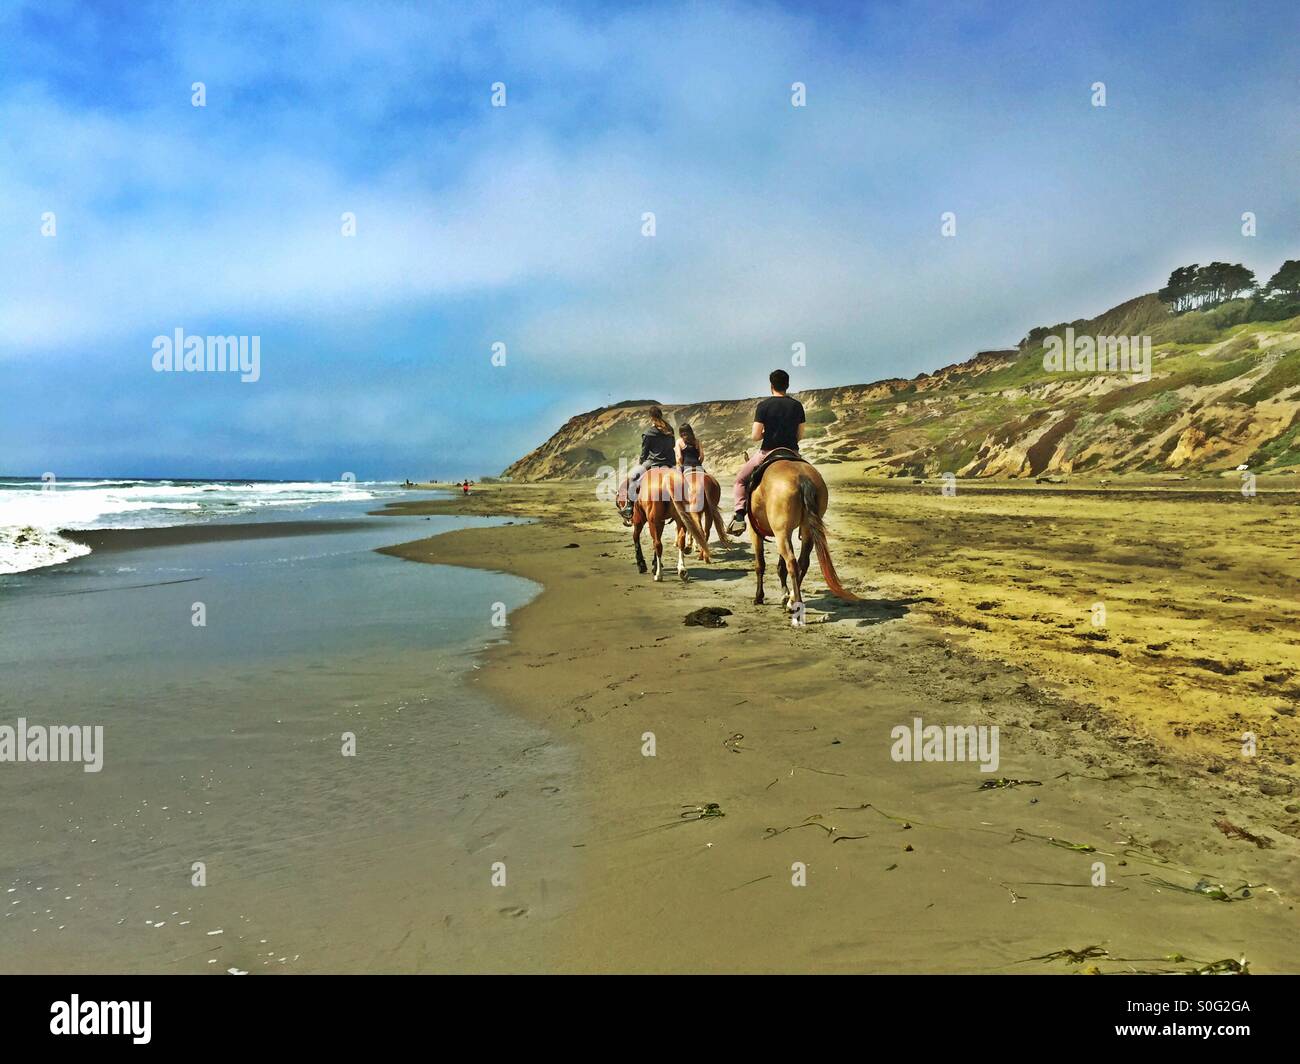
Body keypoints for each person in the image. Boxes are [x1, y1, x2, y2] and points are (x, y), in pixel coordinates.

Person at [727, 369, 805, 536]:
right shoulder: (797, 406)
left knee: (740, 480)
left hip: (767, 451)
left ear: (771, 386)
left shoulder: (763, 406)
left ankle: (740, 516)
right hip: (792, 452)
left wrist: (767, 433)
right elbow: (800, 435)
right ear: (787, 385)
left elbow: (755, 436)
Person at [617, 407, 676, 524]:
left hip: (652, 463)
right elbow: (673, 446)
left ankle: (629, 508)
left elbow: (644, 453)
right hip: (669, 464)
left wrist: (641, 463)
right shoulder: (670, 430)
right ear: (661, 415)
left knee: (631, 479)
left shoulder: (649, 433)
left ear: (651, 417)